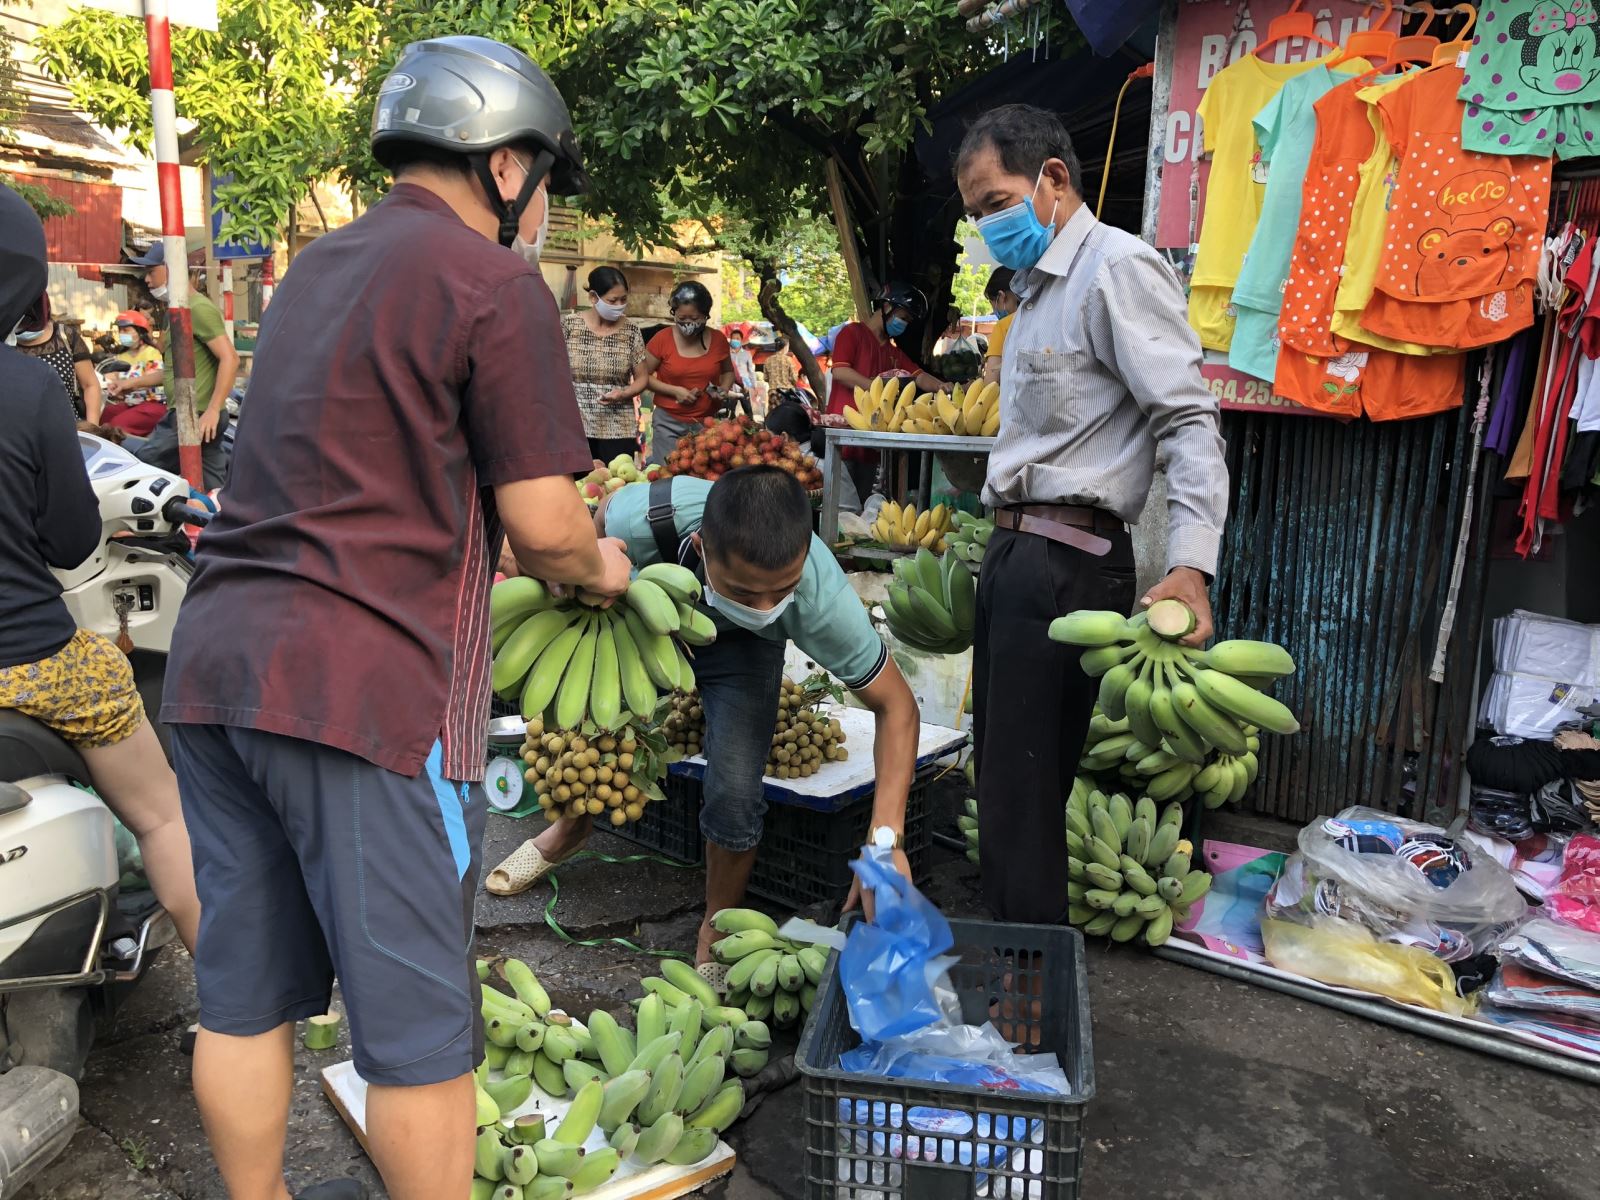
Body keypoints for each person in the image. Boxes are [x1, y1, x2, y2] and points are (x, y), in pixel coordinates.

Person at [157, 36, 633, 1200]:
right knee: (422, 1032)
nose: (542, 203)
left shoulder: (317, 269)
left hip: (215, 671)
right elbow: (544, 525)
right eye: (546, 178)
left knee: (244, 995)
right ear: (507, 163)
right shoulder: (491, 282)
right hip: (366, 694)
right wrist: (605, 568)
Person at [955, 104, 1227, 928]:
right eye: (974, 215)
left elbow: (1186, 419)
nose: (986, 226)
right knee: (1003, 786)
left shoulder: (1118, 269)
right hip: (1017, 557)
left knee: (1026, 793)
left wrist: (1191, 561)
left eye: (996, 202)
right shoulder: (1035, 293)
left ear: (1055, 179)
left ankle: (1026, 1005)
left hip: (1066, 561)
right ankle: (1010, 978)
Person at [487, 466, 921, 961]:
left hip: (746, 652)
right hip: (648, 615)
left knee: (735, 789)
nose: (764, 604)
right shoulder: (647, 519)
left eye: (781, 591)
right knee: (586, 716)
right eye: (743, 592)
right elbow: (604, 516)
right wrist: (586, 570)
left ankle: (714, 931)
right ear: (700, 547)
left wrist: (885, 842)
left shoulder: (819, 602)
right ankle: (572, 827)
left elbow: (898, 706)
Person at [0, 184, 200, 955]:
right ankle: (230, 1003)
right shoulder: (27, 387)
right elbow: (69, 539)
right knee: (163, 813)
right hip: (33, 659)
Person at [105, 243, 240, 490]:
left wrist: (212, 409)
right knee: (210, 486)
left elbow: (230, 359)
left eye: (151, 272)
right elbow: (174, 371)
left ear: (171, 269)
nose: (146, 279)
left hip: (194, 414)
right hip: (191, 413)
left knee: (142, 463)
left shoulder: (198, 309)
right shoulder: (175, 312)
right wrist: (128, 383)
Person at [826, 282, 948, 495]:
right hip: (842, 438)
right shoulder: (852, 333)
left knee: (860, 509)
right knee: (838, 506)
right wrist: (878, 385)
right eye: (904, 316)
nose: (904, 324)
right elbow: (840, 372)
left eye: (908, 321)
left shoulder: (894, 352)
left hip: (870, 444)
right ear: (886, 307)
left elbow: (918, 377)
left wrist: (943, 387)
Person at [642, 281, 738, 463]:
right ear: (674, 313)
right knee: (668, 473)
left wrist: (723, 390)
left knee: (702, 474)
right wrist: (674, 391)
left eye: (694, 319)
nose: (687, 324)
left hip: (707, 426)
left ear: (705, 316)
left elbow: (728, 372)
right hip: (668, 424)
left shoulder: (718, 340)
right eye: (682, 318)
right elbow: (642, 376)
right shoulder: (661, 340)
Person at [563, 266, 648, 464]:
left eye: (623, 299)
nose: (619, 305)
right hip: (575, 428)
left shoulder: (631, 331)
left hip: (618, 429)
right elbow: (553, 371)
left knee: (616, 488)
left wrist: (624, 393)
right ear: (594, 297)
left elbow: (643, 377)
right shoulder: (569, 325)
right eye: (612, 300)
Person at [12, 292, 102, 422]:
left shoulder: (65, 336)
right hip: (18, 434)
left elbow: (90, 385)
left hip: (67, 430)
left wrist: (92, 429)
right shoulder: (5, 341)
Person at [99, 311, 168, 437]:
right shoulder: (121, 356)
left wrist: (124, 381)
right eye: (120, 330)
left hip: (153, 403)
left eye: (126, 330)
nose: (122, 334)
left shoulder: (151, 352)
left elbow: (153, 378)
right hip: (131, 403)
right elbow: (112, 376)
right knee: (105, 416)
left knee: (116, 426)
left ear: (140, 332)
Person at [982, 266, 1020, 387]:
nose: (994, 310)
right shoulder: (1044, 317)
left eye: (992, 303)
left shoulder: (1003, 326)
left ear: (1001, 296)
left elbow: (990, 383)